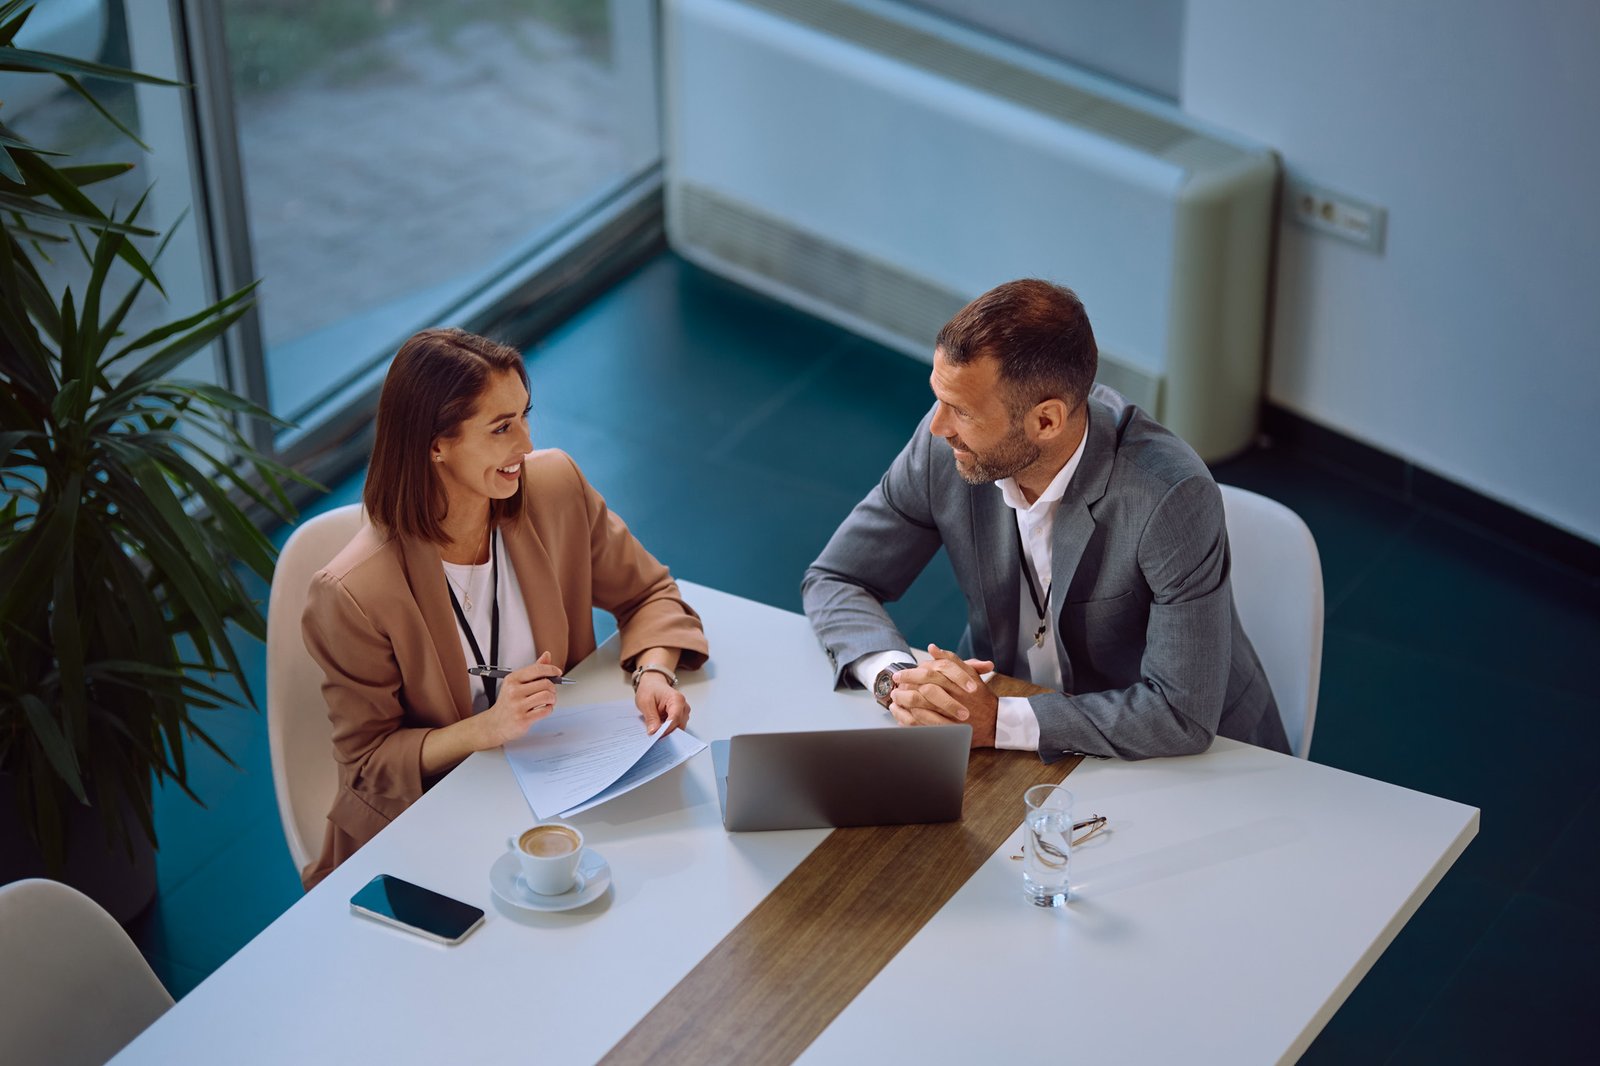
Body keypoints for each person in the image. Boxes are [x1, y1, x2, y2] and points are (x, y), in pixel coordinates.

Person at [802, 279, 1288, 761]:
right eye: (940, 398)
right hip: (1008, 733)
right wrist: (898, 682)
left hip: (1182, 758)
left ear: (1047, 422)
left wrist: (997, 721)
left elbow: (1180, 715)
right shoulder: (944, 447)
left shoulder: (1169, 497)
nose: (938, 427)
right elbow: (836, 578)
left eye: (963, 411)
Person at [300, 328, 708, 889]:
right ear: (435, 444)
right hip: (436, 822)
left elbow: (650, 594)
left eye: (523, 416)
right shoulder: (352, 592)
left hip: (567, 791)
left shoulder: (554, 488)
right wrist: (486, 728)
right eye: (501, 428)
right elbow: (369, 766)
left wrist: (654, 671)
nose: (525, 443)